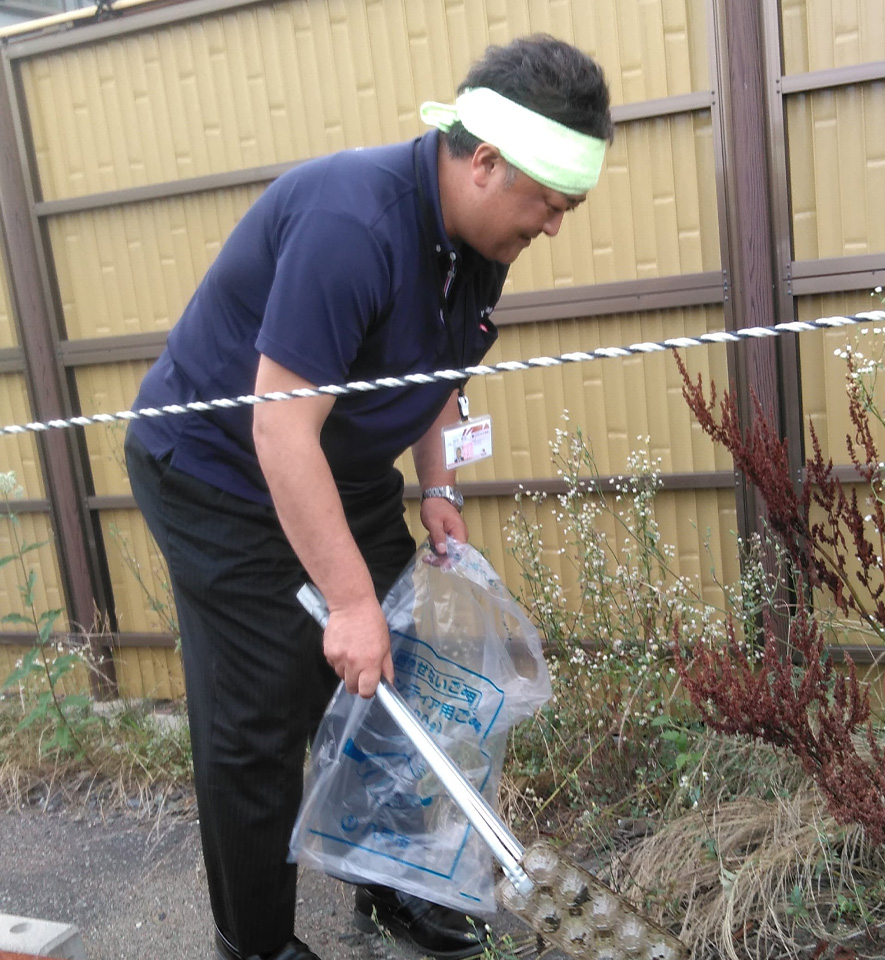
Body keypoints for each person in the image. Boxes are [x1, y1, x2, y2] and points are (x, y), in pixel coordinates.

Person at [124, 33, 613, 960]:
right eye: (548, 203)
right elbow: (277, 428)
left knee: (411, 671)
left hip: (333, 471)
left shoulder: (480, 239)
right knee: (260, 713)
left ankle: (395, 887)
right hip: (217, 472)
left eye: (567, 208)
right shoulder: (352, 222)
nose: (553, 226)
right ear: (483, 162)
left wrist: (436, 485)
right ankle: (257, 944)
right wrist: (348, 605)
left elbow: (436, 361)